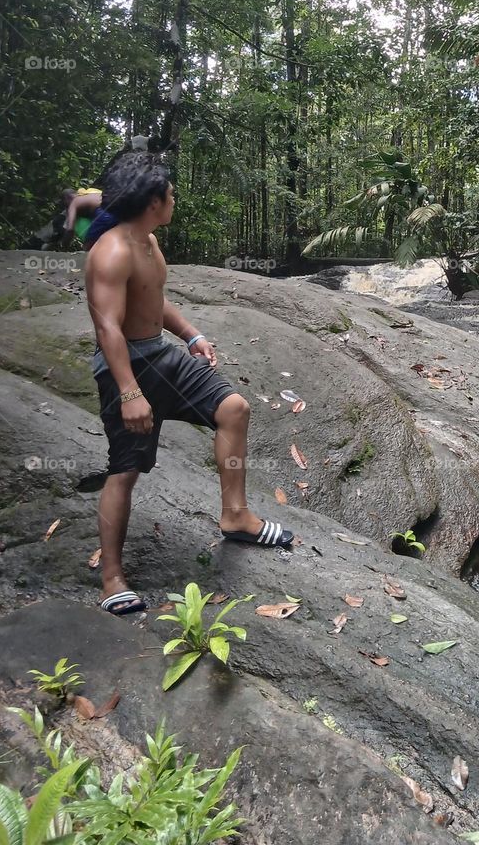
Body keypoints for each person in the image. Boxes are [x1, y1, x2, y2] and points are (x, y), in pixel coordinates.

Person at [85, 151, 291, 617]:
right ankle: (112, 577)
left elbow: (152, 298)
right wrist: (130, 393)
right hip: (126, 367)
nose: (174, 199)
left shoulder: (148, 241)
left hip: (161, 354)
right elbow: (108, 328)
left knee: (233, 408)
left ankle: (235, 515)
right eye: (171, 194)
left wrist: (191, 334)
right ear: (153, 202)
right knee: (125, 470)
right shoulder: (112, 251)